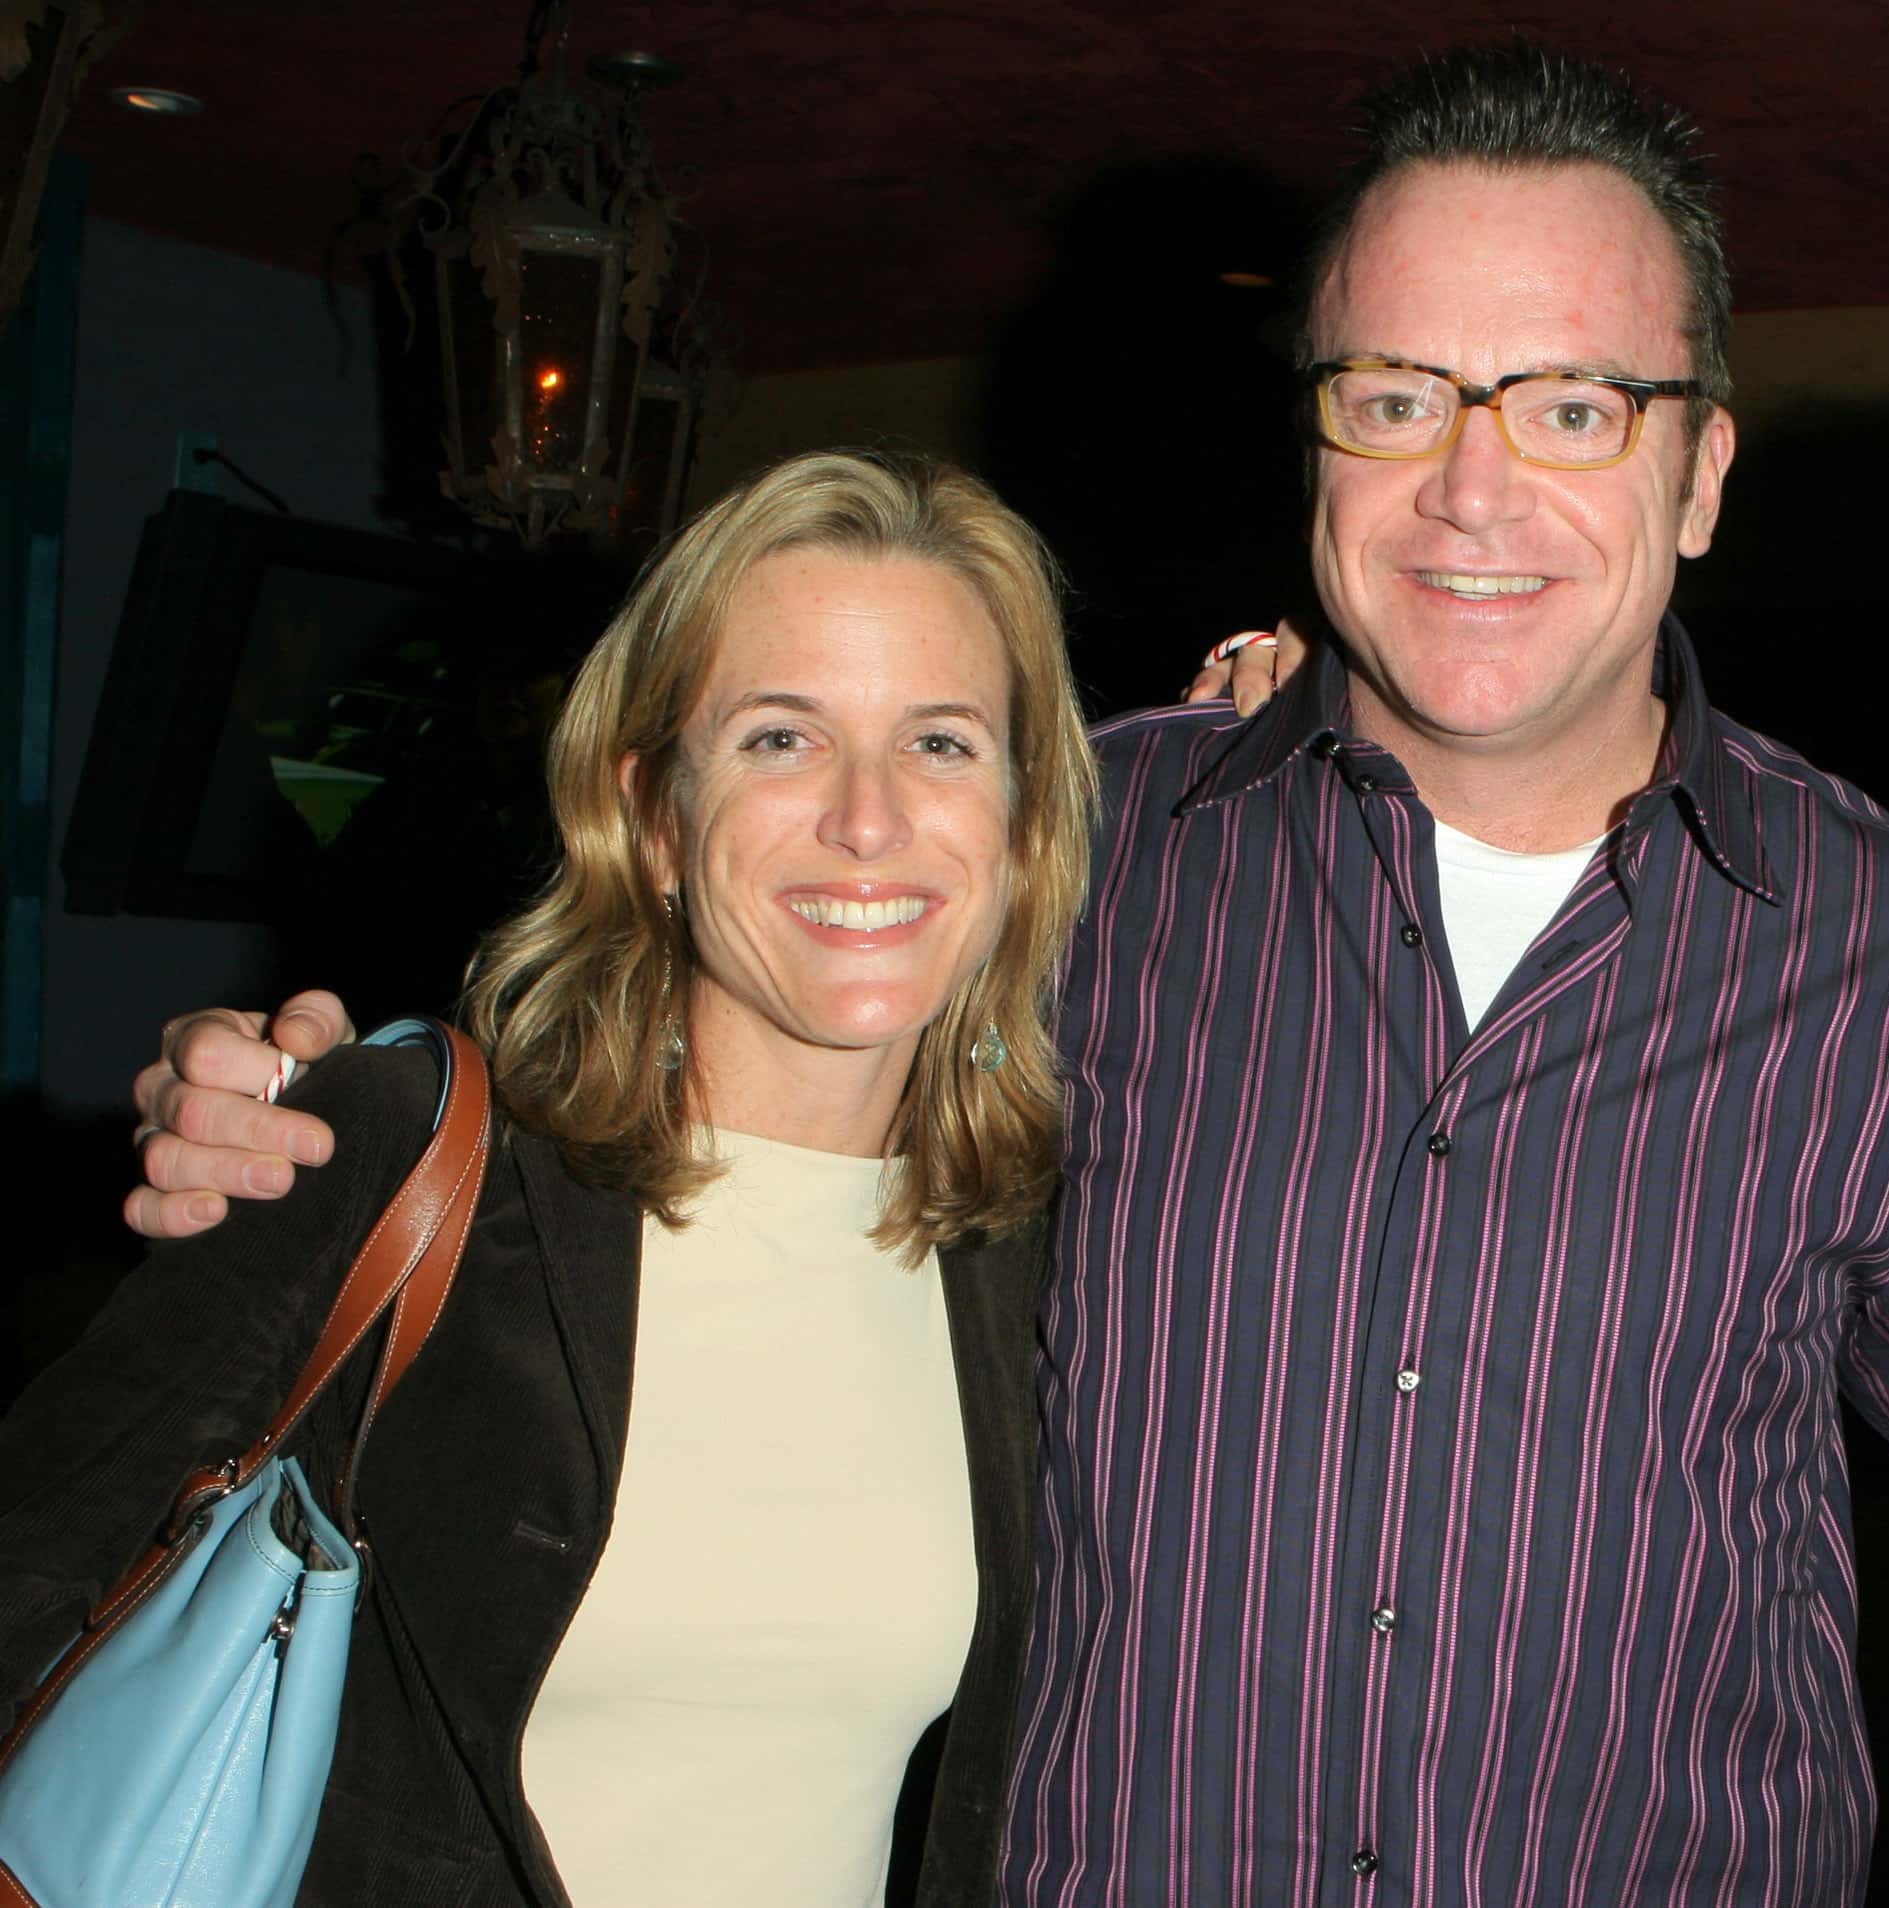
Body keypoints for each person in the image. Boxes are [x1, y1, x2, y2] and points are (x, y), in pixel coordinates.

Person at [115, 45, 1889, 1902]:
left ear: (1699, 471)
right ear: (1316, 440)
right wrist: (317, 1115)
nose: (1472, 484)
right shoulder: (1069, 861)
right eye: (1396, 396)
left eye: (1573, 408)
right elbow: (667, 1087)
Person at [7, 449, 1101, 1905]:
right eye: (782, 736)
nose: (868, 817)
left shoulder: (1039, 1254)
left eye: (943, 743)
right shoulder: (402, 1155)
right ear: (652, 817)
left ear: (1023, 827)